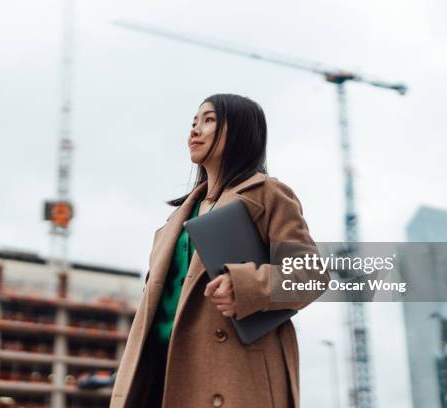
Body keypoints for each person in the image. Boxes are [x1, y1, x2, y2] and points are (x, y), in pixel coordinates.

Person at [109, 93, 328, 408]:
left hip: (229, 375)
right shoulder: (176, 219)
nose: (194, 131)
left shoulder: (268, 195)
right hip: (159, 372)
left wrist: (246, 286)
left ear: (239, 131)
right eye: (193, 123)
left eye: (208, 120)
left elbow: (311, 275)